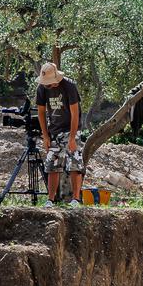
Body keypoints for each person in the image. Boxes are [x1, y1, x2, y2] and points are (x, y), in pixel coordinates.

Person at [35, 62, 83, 203]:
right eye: (46, 84)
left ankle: (75, 199)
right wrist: (45, 136)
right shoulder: (42, 89)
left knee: (74, 164)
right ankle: (50, 200)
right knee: (52, 165)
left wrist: (73, 138)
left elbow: (75, 114)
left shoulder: (69, 86)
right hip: (54, 131)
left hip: (71, 130)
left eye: (49, 84)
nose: (47, 86)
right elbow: (41, 112)